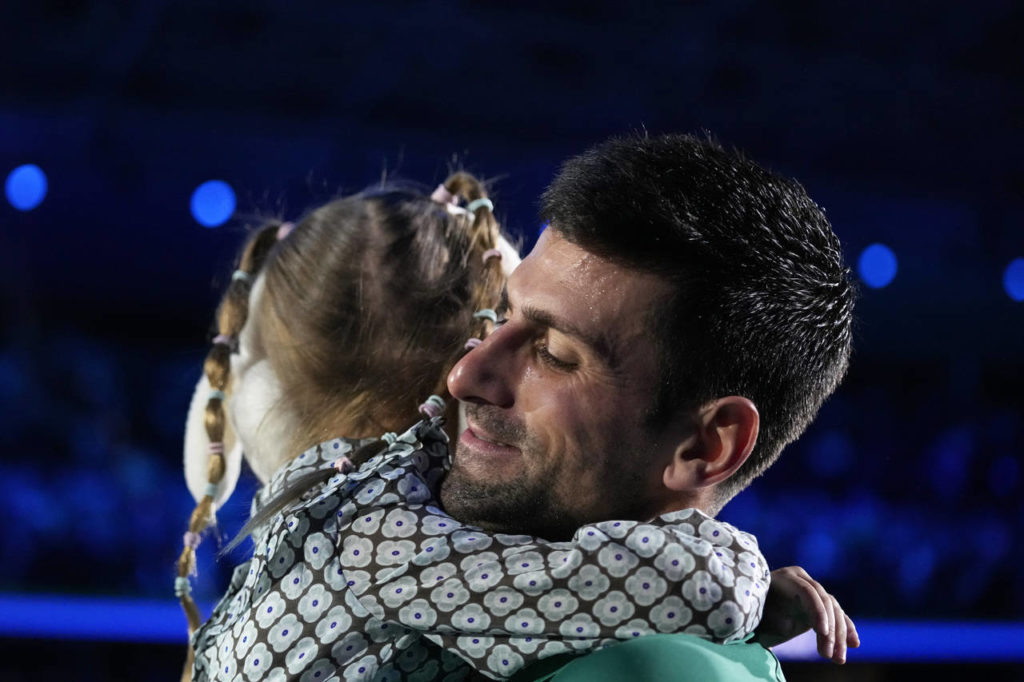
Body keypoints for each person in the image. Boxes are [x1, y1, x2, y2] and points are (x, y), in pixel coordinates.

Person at [441, 132, 859, 678]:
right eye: (501, 319)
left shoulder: (651, 671)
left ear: (704, 446)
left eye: (555, 354)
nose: (464, 375)